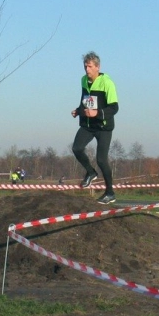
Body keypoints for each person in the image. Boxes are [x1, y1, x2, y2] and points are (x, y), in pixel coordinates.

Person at [70, 51, 119, 204]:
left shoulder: (107, 83)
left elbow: (114, 108)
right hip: (87, 125)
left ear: (98, 67)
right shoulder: (83, 80)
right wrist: (78, 111)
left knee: (101, 159)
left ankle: (110, 193)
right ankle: (91, 173)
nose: (87, 69)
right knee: (77, 149)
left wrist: (96, 113)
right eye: (85, 66)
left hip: (103, 127)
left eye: (90, 67)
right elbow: (85, 101)